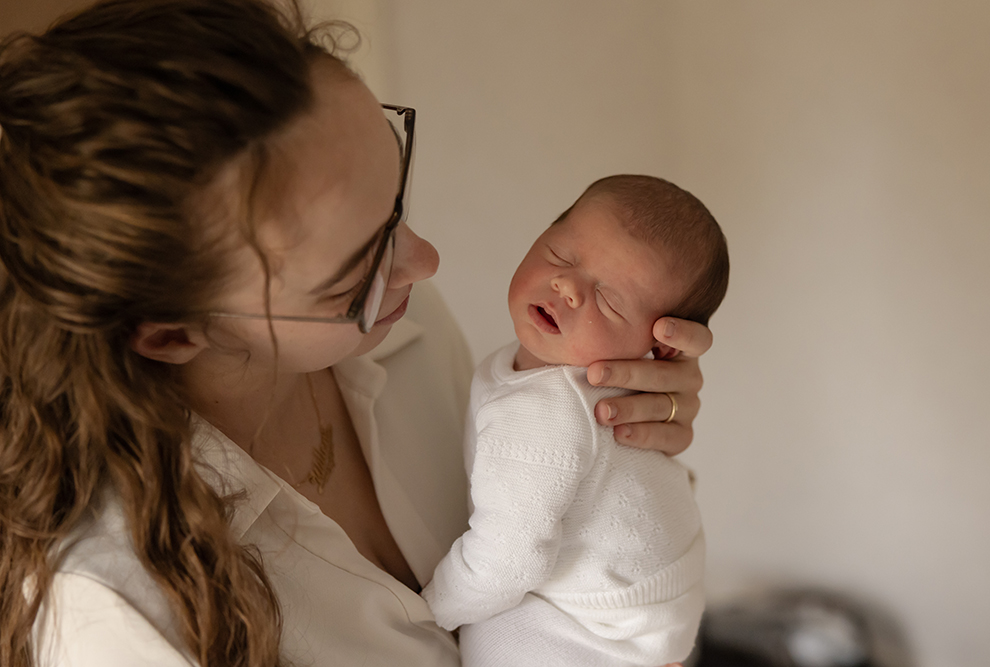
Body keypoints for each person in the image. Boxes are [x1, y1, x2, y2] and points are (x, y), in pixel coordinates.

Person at [0, 1, 714, 666]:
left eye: (395, 202)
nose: (424, 260)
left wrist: (626, 457)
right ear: (169, 334)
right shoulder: (118, 614)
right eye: (353, 269)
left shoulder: (407, 327)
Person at [421, 175, 729, 667]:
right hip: (650, 599)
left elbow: (505, 560)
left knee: (489, 634)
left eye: (609, 301)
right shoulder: (554, 374)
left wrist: (429, 609)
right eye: (560, 255)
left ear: (661, 348)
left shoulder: (541, 411)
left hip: (601, 625)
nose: (566, 286)